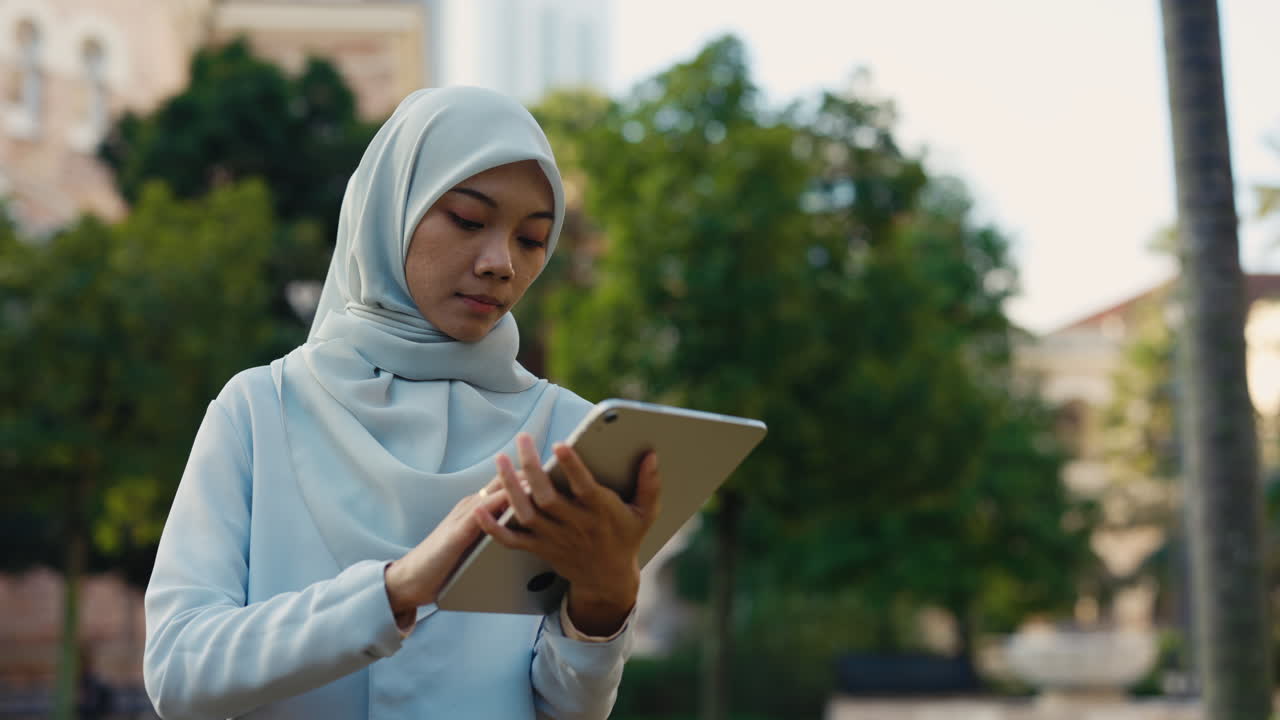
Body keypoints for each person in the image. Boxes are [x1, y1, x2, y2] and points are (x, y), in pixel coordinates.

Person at [143, 86, 662, 720]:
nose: (501, 263)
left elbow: (564, 710)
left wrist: (604, 607)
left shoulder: (567, 434)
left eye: (531, 240)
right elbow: (177, 668)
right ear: (394, 208)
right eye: (469, 220)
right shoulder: (260, 408)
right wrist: (395, 591)